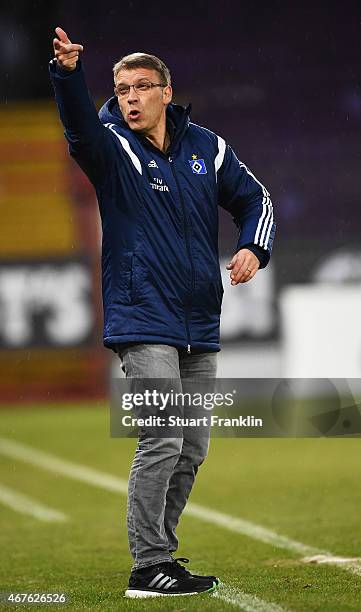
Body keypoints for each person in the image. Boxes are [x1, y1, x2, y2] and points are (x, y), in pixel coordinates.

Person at [50, 26, 276, 598]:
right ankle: (147, 563)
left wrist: (252, 244)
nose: (129, 97)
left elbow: (256, 198)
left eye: (141, 87)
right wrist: (69, 75)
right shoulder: (110, 146)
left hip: (199, 320)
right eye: (121, 88)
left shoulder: (207, 148)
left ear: (166, 92)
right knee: (164, 435)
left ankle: (162, 560)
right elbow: (78, 129)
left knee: (192, 448)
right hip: (142, 316)